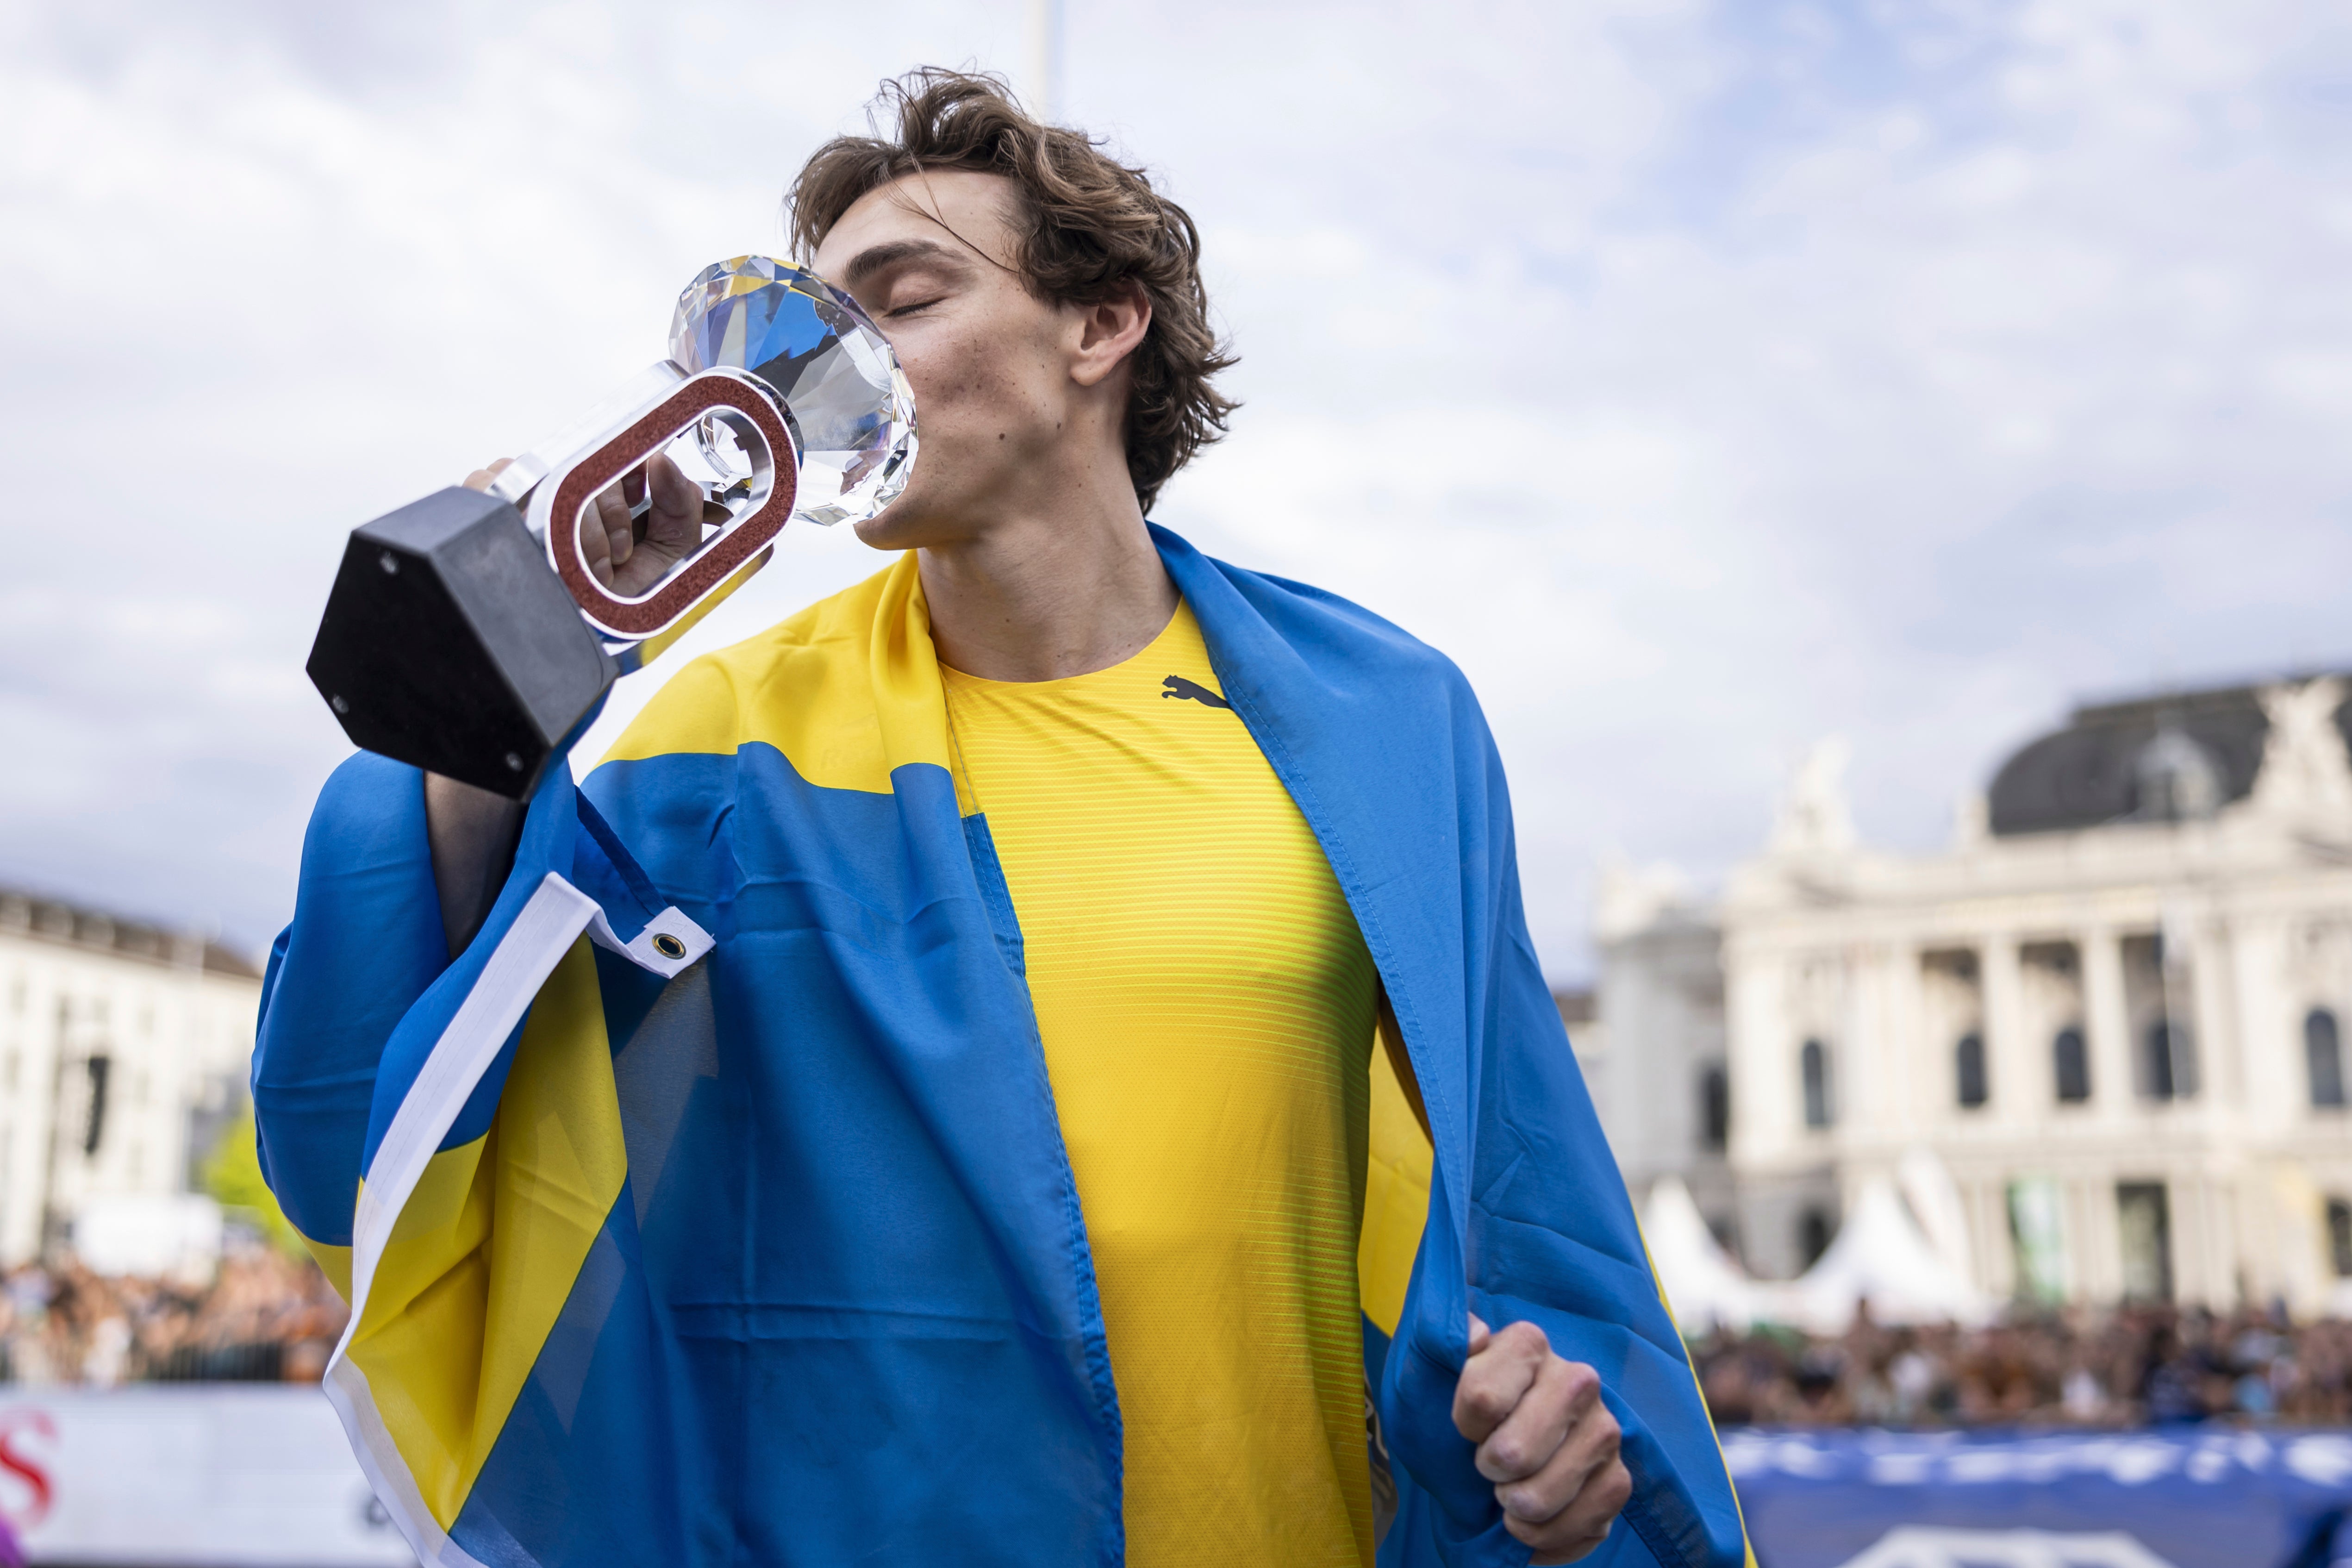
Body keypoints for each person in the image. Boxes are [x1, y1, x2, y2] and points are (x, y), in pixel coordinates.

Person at [253, 69, 1747, 1568]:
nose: (819, 376)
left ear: (1099, 327)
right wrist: (481, 713)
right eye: (786, 338)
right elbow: (377, 1140)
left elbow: (1524, 1202)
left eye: (899, 301)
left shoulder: (1380, 722)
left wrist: (1553, 1414)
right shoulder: (725, 739)